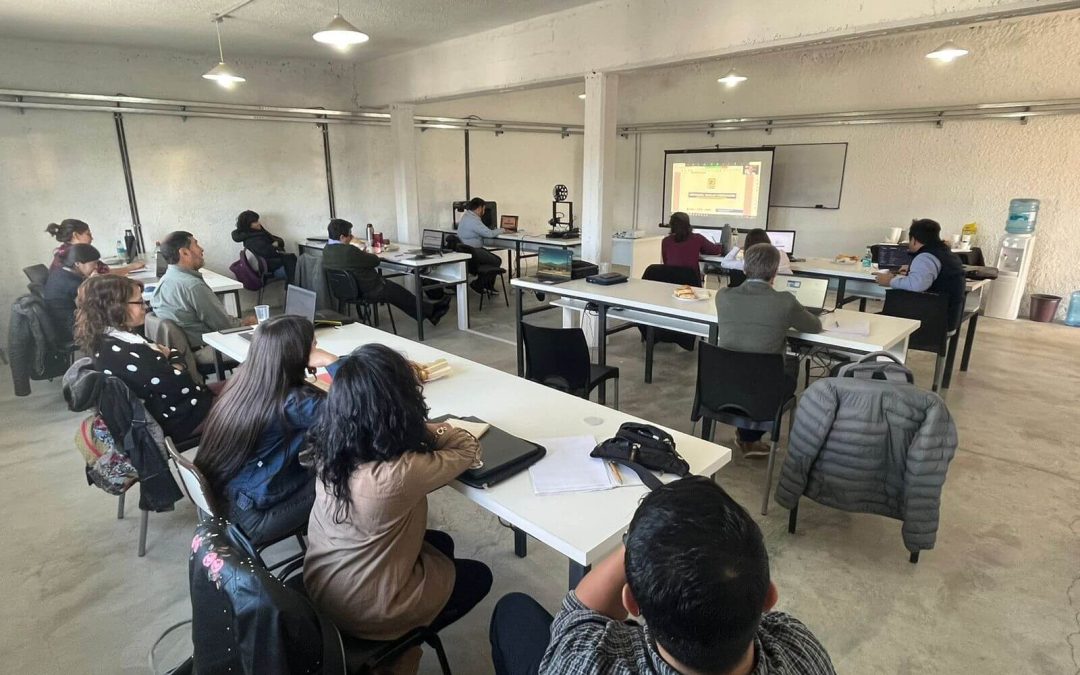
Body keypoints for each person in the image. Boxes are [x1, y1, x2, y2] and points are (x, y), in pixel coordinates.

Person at [488, 477, 835, 675]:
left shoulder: (589, 663)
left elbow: (579, 612)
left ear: (632, 603)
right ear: (769, 599)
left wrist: (646, 540)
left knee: (513, 611)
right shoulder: (800, 653)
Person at [304, 344, 492, 674]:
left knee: (442, 545)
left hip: (324, 584)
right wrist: (434, 427)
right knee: (479, 576)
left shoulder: (331, 446)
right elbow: (466, 448)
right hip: (369, 610)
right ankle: (399, 648)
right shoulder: (398, 473)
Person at [194, 315, 338, 546]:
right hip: (252, 519)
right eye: (312, 344)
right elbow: (357, 410)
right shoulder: (293, 403)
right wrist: (333, 362)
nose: (317, 347)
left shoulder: (244, 381)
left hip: (224, 500)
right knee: (345, 481)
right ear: (297, 353)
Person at [74, 274, 212, 440]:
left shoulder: (113, 339)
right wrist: (175, 361)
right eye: (139, 302)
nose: (145, 307)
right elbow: (183, 383)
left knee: (241, 388)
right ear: (115, 307)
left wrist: (172, 360)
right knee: (248, 401)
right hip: (181, 418)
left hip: (177, 408)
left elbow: (171, 360)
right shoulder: (122, 352)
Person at [714, 244, 821, 457]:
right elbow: (814, 326)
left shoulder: (722, 296)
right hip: (764, 391)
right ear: (774, 272)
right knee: (788, 365)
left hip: (721, 386)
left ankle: (747, 436)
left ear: (744, 269)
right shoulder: (785, 301)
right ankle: (751, 438)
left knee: (750, 363)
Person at [150, 231, 256, 365]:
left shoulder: (166, 279)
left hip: (184, 350)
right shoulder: (193, 286)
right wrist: (249, 323)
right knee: (267, 346)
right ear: (184, 253)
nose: (201, 249)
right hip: (203, 349)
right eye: (196, 244)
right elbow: (225, 325)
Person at [321, 218, 451, 325]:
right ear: (342, 236)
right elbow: (375, 261)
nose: (352, 237)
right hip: (368, 289)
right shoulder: (348, 251)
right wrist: (362, 248)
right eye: (350, 234)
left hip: (346, 291)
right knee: (400, 293)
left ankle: (431, 312)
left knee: (398, 293)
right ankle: (431, 311)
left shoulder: (326, 250)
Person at [876, 218, 966, 329]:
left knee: (875, 322)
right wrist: (912, 269)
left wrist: (890, 281)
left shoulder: (925, 257)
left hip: (933, 321)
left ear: (914, 240)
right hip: (949, 316)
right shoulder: (946, 253)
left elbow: (917, 285)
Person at [43, 243, 103, 344]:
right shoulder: (72, 283)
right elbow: (94, 305)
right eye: (93, 263)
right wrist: (92, 283)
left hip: (63, 325)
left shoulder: (61, 272)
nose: (96, 267)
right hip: (73, 329)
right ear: (78, 263)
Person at [45, 218, 145, 275]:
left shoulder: (63, 251)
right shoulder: (77, 254)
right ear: (75, 235)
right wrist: (131, 267)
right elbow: (105, 274)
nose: (92, 238)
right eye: (88, 234)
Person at [231, 210, 297, 284]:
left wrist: (275, 245)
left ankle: (294, 290)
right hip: (271, 270)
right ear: (248, 225)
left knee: (299, 263)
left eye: (257, 220)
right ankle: (294, 290)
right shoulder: (253, 240)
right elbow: (271, 252)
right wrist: (275, 246)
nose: (259, 223)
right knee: (302, 269)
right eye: (255, 222)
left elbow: (278, 241)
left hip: (270, 265)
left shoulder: (256, 233)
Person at [455, 197, 505, 293]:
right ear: (479, 208)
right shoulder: (474, 220)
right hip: (473, 250)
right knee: (497, 260)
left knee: (489, 258)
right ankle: (479, 284)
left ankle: (485, 285)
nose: (484, 211)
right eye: (484, 208)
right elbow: (489, 234)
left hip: (468, 250)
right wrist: (503, 230)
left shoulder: (467, 216)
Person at [661, 212, 722, 278]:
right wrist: (720, 245)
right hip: (692, 283)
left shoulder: (665, 241)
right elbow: (715, 250)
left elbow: (666, 263)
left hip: (671, 281)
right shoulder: (697, 238)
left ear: (671, 225)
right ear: (688, 225)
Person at [722, 228, 793, 276]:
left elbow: (725, 263)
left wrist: (738, 248)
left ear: (748, 243)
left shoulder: (750, 260)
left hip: (766, 294)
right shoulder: (781, 253)